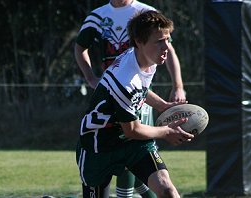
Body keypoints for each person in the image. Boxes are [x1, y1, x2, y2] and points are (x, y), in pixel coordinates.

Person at [76, 10, 194, 198]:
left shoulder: (147, 59)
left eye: (167, 39)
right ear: (139, 42)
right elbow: (132, 129)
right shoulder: (125, 80)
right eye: (159, 41)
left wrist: (162, 105)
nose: (166, 47)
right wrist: (166, 132)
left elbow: (142, 90)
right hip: (99, 145)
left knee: (168, 191)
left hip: (133, 144)